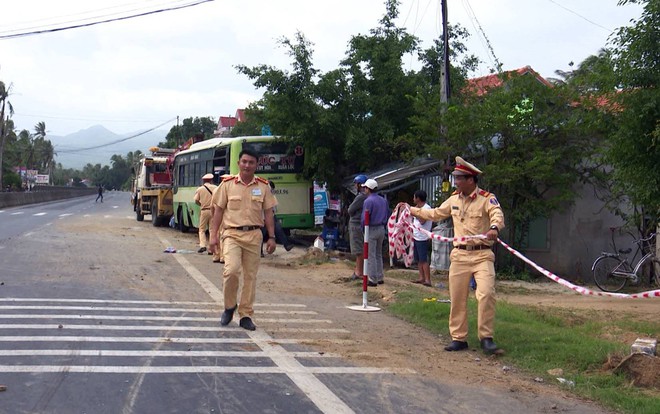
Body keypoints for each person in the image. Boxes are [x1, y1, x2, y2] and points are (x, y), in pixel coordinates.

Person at [409, 156, 505, 355]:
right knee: (457, 297)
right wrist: (411, 210)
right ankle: (458, 338)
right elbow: (435, 213)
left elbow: (497, 214)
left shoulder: (487, 198)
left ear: (470, 180)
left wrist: (494, 227)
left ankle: (486, 338)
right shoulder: (453, 199)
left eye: (459, 178)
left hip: (482, 255)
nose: (456, 181)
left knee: (486, 293)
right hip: (460, 256)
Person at [208, 149, 277, 331]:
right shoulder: (227, 185)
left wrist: (272, 237)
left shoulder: (263, 187)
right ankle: (229, 307)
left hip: (254, 235)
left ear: (256, 165)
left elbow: (269, 213)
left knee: (250, 276)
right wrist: (213, 236)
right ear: (238, 163)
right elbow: (218, 211)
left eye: (251, 162)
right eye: (244, 161)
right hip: (232, 234)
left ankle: (246, 314)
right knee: (231, 271)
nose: (247, 165)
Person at [361, 178, 389, 287]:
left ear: (369, 189)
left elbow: (364, 218)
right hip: (381, 228)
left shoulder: (368, 201)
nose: (364, 190)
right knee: (378, 254)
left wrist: (363, 228)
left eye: (365, 188)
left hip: (371, 228)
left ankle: (372, 279)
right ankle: (379, 276)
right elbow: (387, 213)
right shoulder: (383, 200)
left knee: (370, 254)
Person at [260, 180, 294, 256]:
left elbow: (275, 208)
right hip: (263, 218)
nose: (271, 190)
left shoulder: (272, 196)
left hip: (272, 216)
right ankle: (260, 252)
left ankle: (287, 245)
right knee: (261, 234)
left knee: (279, 230)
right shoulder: (262, 195)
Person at [347, 174, 368, 280]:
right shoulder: (366, 196)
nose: (355, 186)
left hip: (356, 224)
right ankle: (358, 270)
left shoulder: (361, 197)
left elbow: (350, 210)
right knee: (360, 249)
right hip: (361, 224)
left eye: (356, 184)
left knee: (358, 249)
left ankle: (359, 272)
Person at [411, 190, 433, 287]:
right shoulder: (418, 208)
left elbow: (423, 221)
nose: (413, 199)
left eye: (414, 197)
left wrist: (415, 213)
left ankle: (428, 279)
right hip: (416, 236)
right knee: (419, 259)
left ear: (418, 198)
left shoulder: (426, 209)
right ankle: (421, 277)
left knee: (424, 259)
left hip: (423, 237)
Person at [193, 173, 217, 254]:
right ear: (211, 180)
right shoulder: (216, 188)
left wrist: (201, 204)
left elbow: (196, 200)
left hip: (204, 211)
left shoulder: (200, 189)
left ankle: (203, 245)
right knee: (211, 230)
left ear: (203, 181)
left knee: (202, 229)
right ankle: (211, 248)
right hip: (213, 211)